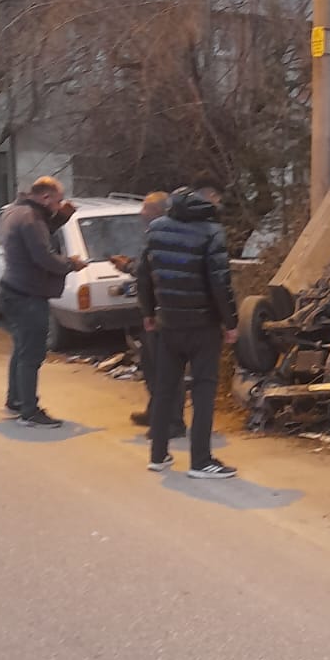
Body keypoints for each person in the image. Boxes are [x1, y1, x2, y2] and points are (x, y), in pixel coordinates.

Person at [136, 179, 239, 478]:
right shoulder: (211, 233)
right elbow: (221, 283)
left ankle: (158, 455)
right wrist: (230, 323)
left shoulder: (156, 230)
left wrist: (148, 312)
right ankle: (201, 461)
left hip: (167, 323)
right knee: (204, 390)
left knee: (165, 388)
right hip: (202, 326)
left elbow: (144, 275)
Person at [0, 175, 87, 428]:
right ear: (46, 197)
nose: (60, 206)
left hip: (12, 290)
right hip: (28, 295)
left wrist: (60, 217)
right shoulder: (31, 219)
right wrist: (71, 264)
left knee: (21, 349)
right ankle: (29, 411)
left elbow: (40, 234)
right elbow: (43, 257)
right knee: (32, 354)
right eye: (58, 202)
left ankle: (15, 400)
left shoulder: (15, 211)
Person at [109, 191, 187, 440]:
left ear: (159, 212)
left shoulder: (166, 236)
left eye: (146, 209)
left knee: (167, 369)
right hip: (153, 310)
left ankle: (172, 422)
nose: (141, 214)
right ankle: (156, 412)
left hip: (165, 312)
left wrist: (128, 266)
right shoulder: (160, 235)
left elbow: (151, 271)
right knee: (151, 366)